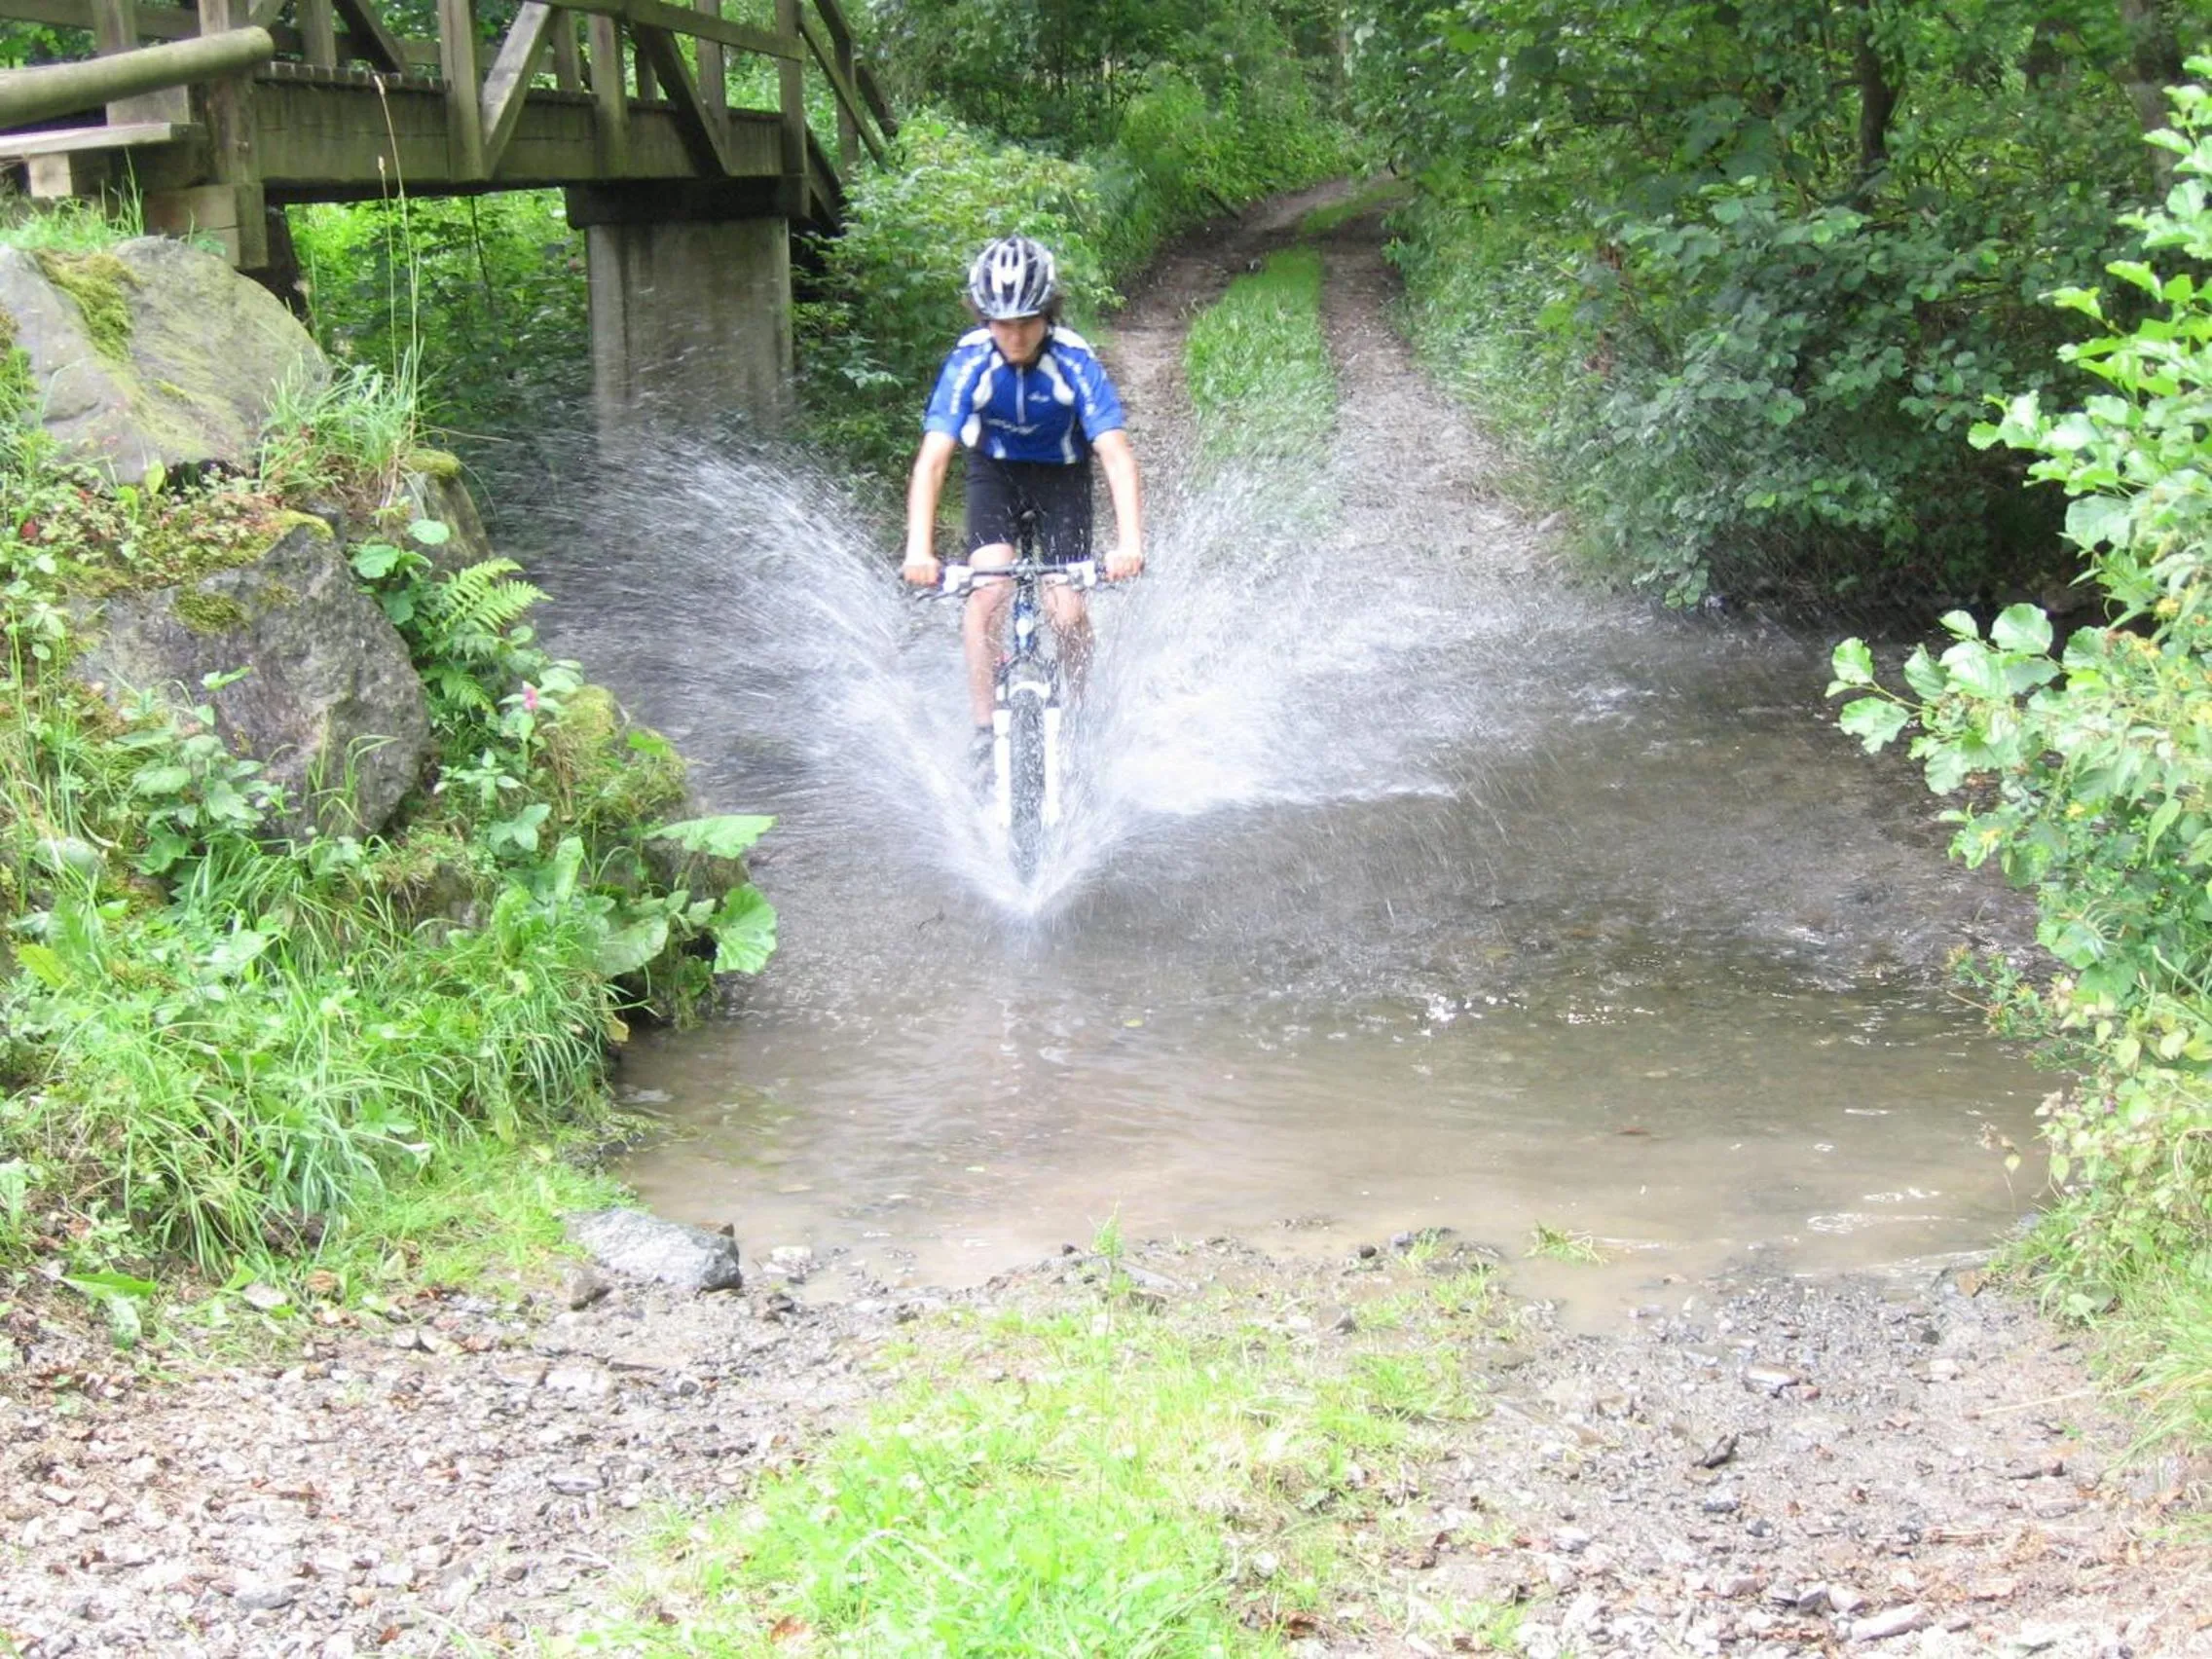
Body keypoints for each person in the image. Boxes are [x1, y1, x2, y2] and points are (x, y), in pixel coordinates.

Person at [901, 235, 1144, 782]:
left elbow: (1117, 457)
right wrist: (920, 550)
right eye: (1000, 322)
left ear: (1048, 314)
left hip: (1062, 477)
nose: (1013, 335)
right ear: (984, 318)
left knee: (1068, 610)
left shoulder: (1074, 361)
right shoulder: (970, 361)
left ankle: (1080, 714)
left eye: (1027, 321)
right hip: (996, 474)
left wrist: (1129, 544)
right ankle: (986, 731)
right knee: (988, 590)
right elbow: (935, 459)